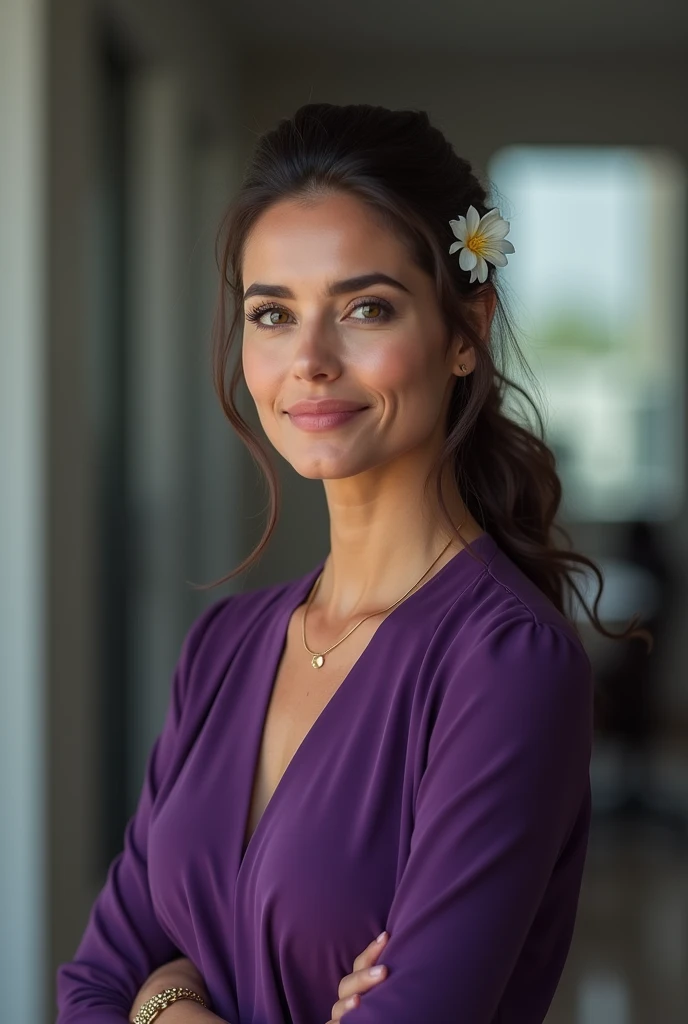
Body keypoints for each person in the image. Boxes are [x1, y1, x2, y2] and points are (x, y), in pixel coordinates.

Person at [55, 103, 649, 1024]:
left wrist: (163, 989)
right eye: (272, 314)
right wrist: (159, 996)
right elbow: (90, 984)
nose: (310, 361)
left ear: (465, 333)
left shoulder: (506, 667)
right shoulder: (221, 647)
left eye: (365, 308)